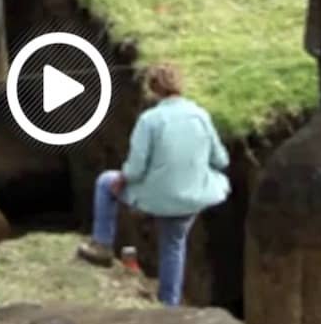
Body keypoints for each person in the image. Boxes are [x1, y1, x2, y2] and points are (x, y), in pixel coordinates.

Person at [75, 63, 230, 307]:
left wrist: (122, 180)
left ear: (153, 89)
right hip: (193, 197)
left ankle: (102, 245)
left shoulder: (150, 120)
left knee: (105, 183)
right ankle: (170, 303)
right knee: (174, 245)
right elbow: (221, 160)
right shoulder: (201, 115)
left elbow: (135, 169)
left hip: (156, 196)